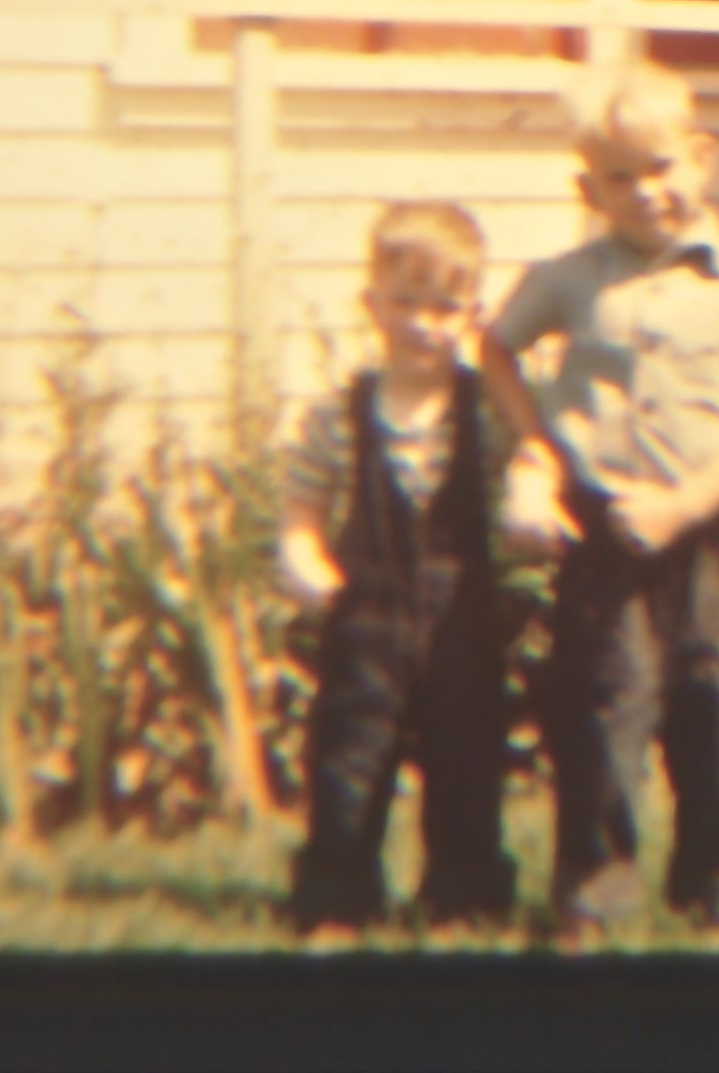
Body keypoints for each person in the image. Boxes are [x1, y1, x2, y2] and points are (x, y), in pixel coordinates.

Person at [481, 63, 719, 953]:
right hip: (602, 532)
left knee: (711, 705)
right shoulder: (568, 279)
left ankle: (717, 890)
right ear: (586, 187)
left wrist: (686, 504)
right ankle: (590, 897)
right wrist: (544, 451)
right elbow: (496, 352)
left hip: (700, 530)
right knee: (606, 709)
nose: (645, 192)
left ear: (702, 160)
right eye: (619, 176)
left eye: (662, 167)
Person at [277, 200, 520, 940]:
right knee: (350, 761)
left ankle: (463, 898)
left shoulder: (489, 413)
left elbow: (527, 483)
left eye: (446, 307)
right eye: (406, 302)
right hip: (367, 618)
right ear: (372, 303)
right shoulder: (336, 415)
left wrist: (531, 514)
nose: (424, 322)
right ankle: (338, 897)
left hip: (465, 621)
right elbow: (300, 514)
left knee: (468, 759)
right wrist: (302, 560)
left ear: (473, 313)